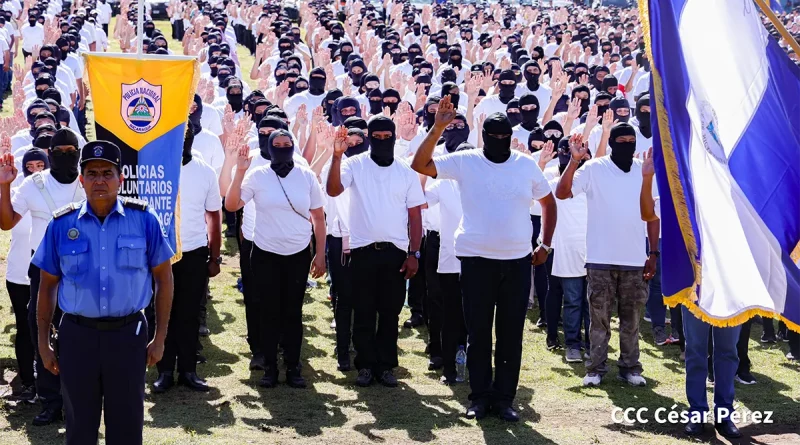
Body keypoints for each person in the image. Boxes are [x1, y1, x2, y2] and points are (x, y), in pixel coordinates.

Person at [411, 99, 557, 422]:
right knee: (478, 333)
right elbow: (420, 165)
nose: (499, 142)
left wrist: (545, 243)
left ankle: (504, 399)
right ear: (484, 136)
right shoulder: (466, 161)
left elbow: (548, 202)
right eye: (493, 136)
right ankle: (479, 397)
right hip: (476, 261)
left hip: (517, 262)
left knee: (510, 334)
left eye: (505, 137)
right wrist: (437, 128)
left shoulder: (525, 165)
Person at [31, 140, 175, 445]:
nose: (99, 180)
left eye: (107, 173)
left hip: (128, 335)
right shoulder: (61, 224)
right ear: (81, 180)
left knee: (126, 425)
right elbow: (46, 286)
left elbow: (164, 278)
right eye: (92, 173)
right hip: (77, 337)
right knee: (80, 426)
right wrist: (43, 343)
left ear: (120, 178)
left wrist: (160, 337)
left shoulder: (144, 219)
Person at [639, 149, 741, 439]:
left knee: (727, 352)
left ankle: (724, 414)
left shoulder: (735, 199)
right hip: (693, 289)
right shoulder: (678, 201)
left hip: (728, 289)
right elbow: (648, 213)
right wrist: (648, 178)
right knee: (696, 352)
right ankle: (697, 413)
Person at [327, 116, 425, 388]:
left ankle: (386, 366)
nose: (382, 141)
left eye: (387, 137)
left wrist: (414, 253)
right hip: (362, 251)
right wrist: (336, 156)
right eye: (377, 137)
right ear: (370, 138)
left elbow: (415, 215)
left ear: (394, 138)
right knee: (364, 311)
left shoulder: (405, 171)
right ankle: (366, 365)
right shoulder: (354, 165)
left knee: (391, 312)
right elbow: (333, 189)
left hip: (395, 252)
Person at [555, 127, 657, 388]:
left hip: (634, 259)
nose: (626, 145)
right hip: (600, 258)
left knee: (631, 319)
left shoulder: (643, 169)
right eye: (620, 141)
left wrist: (653, 253)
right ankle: (596, 368)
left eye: (630, 141)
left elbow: (652, 216)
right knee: (598, 320)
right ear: (610, 143)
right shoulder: (593, 168)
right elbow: (563, 193)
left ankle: (630, 367)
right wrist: (575, 160)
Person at [226, 129, 326, 388]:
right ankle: (270, 368)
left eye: (286, 144)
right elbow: (232, 205)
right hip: (265, 253)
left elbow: (318, 217)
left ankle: (294, 367)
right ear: (269, 148)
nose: (282, 148)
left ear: (293, 147)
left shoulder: (306, 176)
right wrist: (239, 170)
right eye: (277, 145)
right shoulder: (257, 175)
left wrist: (321, 254)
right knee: (268, 312)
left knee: (293, 312)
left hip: (298, 253)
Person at [0, 128, 86, 426]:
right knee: (42, 331)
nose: (65, 155)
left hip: (81, 268)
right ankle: (50, 401)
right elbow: (7, 222)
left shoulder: (89, 182)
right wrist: (4, 187)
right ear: (49, 154)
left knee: (79, 331)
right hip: (44, 269)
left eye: (70, 151)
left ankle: (79, 399)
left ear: (78, 151)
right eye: (58, 151)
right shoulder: (33, 184)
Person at [153, 127, 222, 393]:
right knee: (162, 312)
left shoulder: (205, 171)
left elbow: (214, 216)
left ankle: (189, 371)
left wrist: (215, 256)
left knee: (190, 313)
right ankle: (165, 370)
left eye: (186, 136)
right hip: (161, 253)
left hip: (194, 251)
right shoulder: (154, 168)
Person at [3, 147, 50, 403]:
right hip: (20, 276)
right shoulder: (21, 194)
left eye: (40, 166)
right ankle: (28, 382)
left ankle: (50, 380)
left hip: (47, 276)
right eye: (30, 166)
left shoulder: (55, 194)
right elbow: (5, 220)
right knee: (24, 328)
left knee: (48, 328)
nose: (35, 170)